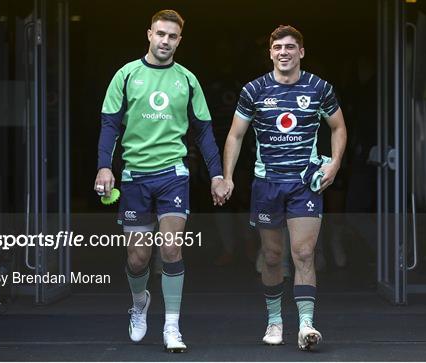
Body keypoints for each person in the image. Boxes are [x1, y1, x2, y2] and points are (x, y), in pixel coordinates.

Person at [94, 9, 224, 352]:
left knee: (170, 247)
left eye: (172, 36)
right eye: (160, 34)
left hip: (173, 174)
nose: (165, 41)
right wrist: (104, 167)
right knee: (138, 256)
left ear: (180, 40)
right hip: (135, 176)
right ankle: (139, 305)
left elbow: (204, 132)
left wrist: (217, 175)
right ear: (149, 34)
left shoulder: (187, 80)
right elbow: (110, 125)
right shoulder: (126, 75)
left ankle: (171, 326)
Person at [216, 25, 347, 350]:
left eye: (290, 47)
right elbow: (235, 135)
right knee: (272, 257)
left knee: (303, 253)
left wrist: (334, 164)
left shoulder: (319, 88)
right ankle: (275, 321)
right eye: (278, 48)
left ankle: (306, 325)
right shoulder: (254, 90)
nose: (284, 52)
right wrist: (227, 177)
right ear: (271, 53)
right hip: (267, 185)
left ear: (301, 52)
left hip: (304, 184)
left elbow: (339, 127)